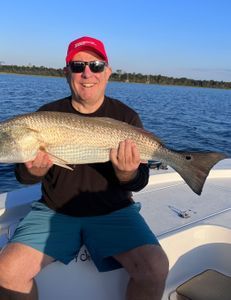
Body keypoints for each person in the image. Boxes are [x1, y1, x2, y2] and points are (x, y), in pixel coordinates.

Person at [0, 36, 169, 300]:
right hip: (55, 211)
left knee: (155, 267)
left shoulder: (126, 117)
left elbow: (140, 180)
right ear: (66, 72)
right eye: (78, 66)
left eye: (96, 65)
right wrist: (34, 171)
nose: (87, 73)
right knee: (6, 271)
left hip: (114, 211)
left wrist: (127, 173)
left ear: (108, 72)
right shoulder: (46, 114)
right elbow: (23, 174)